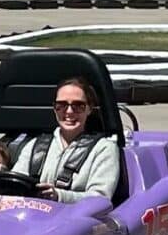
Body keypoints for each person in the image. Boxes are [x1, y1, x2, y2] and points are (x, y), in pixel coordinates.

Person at [11, 75, 121, 204]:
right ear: (54, 108)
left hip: (78, 221)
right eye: (61, 105)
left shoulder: (104, 149)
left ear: (89, 109)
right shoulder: (35, 145)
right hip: (33, 218)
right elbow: (14, 185)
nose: (69, 112)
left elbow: (100, 199)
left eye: (78, 106)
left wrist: (59, 196)